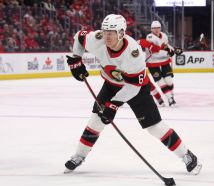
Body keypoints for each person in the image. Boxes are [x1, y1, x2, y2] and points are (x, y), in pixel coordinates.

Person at [64, 14, 201, 174]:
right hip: (111, 85)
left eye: (111, 32)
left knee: (154, 126)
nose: (107, 36)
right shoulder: (98, 39)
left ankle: (186, 155)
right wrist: (76, 59)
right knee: (96, 121)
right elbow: (79, 38)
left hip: (136, 89)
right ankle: (79, 156)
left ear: (121, 33)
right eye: (105, 31)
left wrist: (113, 105)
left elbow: (132, 86)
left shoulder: (133, 52)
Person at [145, 21, 183, 106]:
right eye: (154, 28)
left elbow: (166, 46)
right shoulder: (150, 37)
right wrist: (169, 52)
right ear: (151, 29)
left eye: (158, 28)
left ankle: (171, 95)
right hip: (152, 62)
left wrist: (174, 49)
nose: (156, 30)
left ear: (160, 28)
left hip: (164, 61)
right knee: (160, 82)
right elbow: (155, 50)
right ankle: (170, 99)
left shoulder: (164, 35)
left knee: (169, 81)